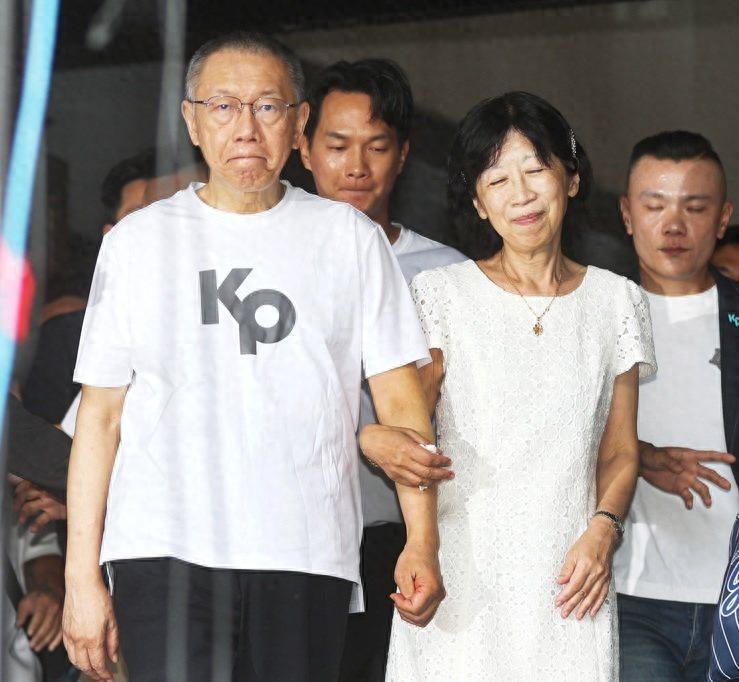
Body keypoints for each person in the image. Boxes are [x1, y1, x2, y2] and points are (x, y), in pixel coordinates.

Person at [61, 31, 445, 682]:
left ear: (298, 123)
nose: (245, 127)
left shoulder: (348, 238)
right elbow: (99, 418)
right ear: (191, 121)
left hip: (304, 551)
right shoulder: (138, 242)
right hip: (162, 548)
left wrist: (422, 540)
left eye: (267, 107)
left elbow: (401, 400)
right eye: (223, 106)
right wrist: (81, 577)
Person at [360, 91, 655, 680]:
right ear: (477, 201)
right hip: (459, 575)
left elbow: (620, 450)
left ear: (571, 178)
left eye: (536, 170)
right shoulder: (441, 295)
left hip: (571, 581)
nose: (520, 195)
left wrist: (603, 531)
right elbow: (407, 426)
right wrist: (372, 438)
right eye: (497, 180)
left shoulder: (616, 300)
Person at [299, 58, 463, 681]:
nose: (357, 166)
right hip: (296, 534)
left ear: (403, 156)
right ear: (304, 148)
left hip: (403, 536)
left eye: (377, 146)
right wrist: (365, 434)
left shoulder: (448, 275)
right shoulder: (269, 266)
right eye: (337, 145)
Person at [613, 130, 737, 681]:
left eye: (695, 207)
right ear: (627, 214)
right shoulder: (592, 315)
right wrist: (641, 455)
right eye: (655, 205)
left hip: (731, 596)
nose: (674, 225)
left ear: (723, 218)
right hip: (627, 595)